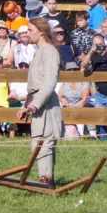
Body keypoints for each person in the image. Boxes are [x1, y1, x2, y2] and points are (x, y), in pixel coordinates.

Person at [17, 17, 62, 184]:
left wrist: (36, 103)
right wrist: (25, 106)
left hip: (47, 104)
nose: (27, 34)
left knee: (45, 143)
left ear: (41, 31)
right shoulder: (39, 52)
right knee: (37, 143)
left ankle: (46, 180)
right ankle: (44, 178)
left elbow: (50, 82)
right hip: (37, 103)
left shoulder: (49, 51)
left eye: (30, 30)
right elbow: (34, 86)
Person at [79, 33, 107, 141]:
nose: (99, 47)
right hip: (100, 93)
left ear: (104, 43)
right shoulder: (93, 56)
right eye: (96, 45)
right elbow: (83, 66)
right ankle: (103, 139)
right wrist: (90, 52)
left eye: (101, 44)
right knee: (100, 117)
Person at [57, 67, 90, 139]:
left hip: (81, 105)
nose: (72, 71)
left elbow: (85, 99)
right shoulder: (65, 84)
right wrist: (62, 99)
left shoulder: (83, 82)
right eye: (69, 70)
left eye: (75, 69)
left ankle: (81, 133)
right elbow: (59, 95)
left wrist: (76, 109)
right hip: (68, 106)